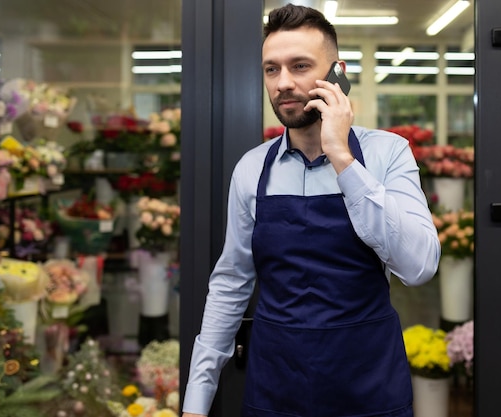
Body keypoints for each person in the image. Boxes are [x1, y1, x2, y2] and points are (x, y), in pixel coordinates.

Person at [182, 4, 440, 417]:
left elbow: (419, 265)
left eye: (299, 66)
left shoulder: (387, 153)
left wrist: (342, 157)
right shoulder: (252, 168)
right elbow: (231, 283)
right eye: (271, 69)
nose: (283, 83)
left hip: (369, 384)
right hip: (275, 385)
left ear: (337, 73)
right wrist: (196, 401)